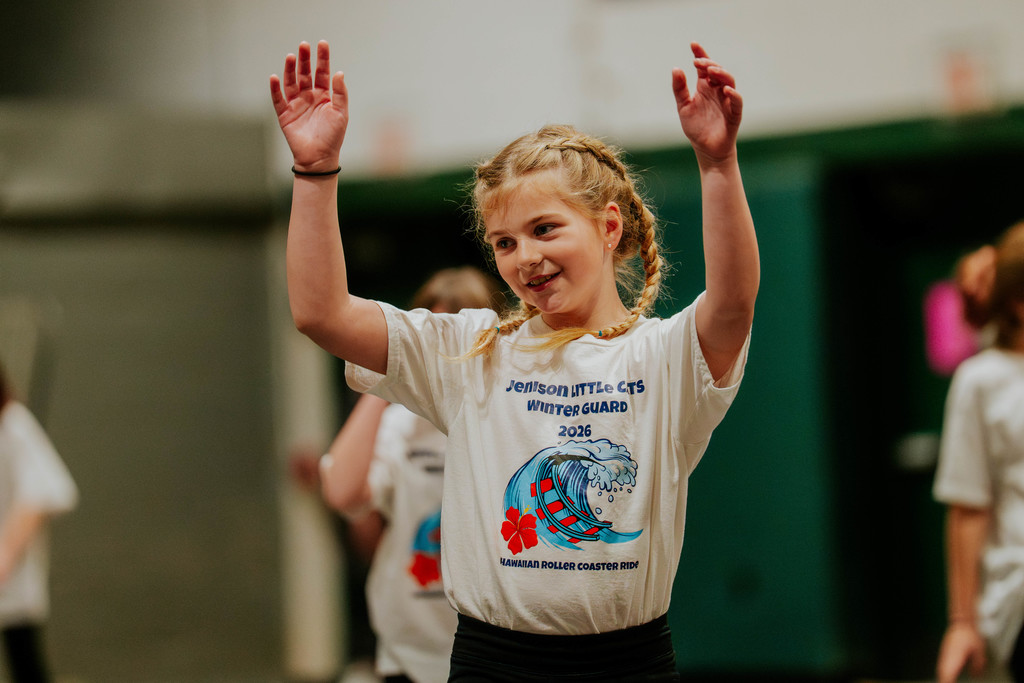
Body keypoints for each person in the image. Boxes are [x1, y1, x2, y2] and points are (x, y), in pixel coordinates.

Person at [270, 39, 757, 682]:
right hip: (493, 662)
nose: (524, 256)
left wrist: (718, 165)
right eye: (504, 242)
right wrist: (316, 170)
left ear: (609, 228)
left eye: (545, 229)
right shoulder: (471, 352)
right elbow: (321, 313)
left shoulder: (662, 357)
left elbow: (731, 305)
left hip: (628, 663)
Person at [319, 267, 504, 683]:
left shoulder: (508, 414)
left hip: (494, 651)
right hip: (411, 653)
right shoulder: (402, 423)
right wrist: (385, 378)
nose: (439, 352)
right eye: (428, 333)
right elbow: (344, 493)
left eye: (451, 336)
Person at [934, 221, 1024, 683]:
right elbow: (968, 505)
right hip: (1017, 597)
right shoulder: (982, 381)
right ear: (1017, 303)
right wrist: (963, 623)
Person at [0, 363, 78, 683]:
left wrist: (4, 554)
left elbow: (46, 492)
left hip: (13, 589)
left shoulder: (13, 425)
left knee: (25, 664)